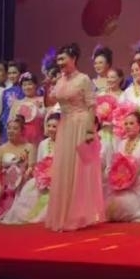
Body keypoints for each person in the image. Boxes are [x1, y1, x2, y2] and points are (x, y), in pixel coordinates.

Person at [45, 43, 105, 232]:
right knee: (65, 167)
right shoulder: (60, 80)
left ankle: (80, 214)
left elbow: (92, 106)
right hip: (65, 126)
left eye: (63, 59)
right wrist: (47, 85)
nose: (60, 62)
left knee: (80, 170)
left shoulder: (83, 79)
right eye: (58, 59)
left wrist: (89, 131)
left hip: (81, 124)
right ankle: (64, 213)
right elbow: (49, 102)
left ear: (74, 59)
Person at [3, 113, 59, 225]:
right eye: (49, 126)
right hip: (43, 178)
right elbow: (38, 164)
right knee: (30, 190)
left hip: (60, 178)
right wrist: (42, 178)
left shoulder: (66, 143)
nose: (51, 129)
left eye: (54, 126)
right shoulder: (43, 144)